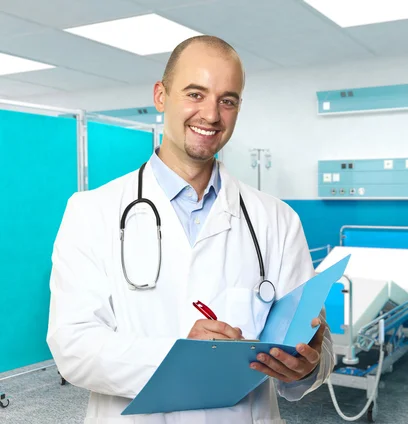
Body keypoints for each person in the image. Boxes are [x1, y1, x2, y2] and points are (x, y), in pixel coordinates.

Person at [46, 35, 334, 424]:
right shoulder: (91, 212)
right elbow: (73, 347)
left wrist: (308, 367)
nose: (212, 115)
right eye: (195, 93)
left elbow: (315, 338)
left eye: (227, 100)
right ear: (161, 96)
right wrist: (180, 356)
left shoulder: (276, 220)